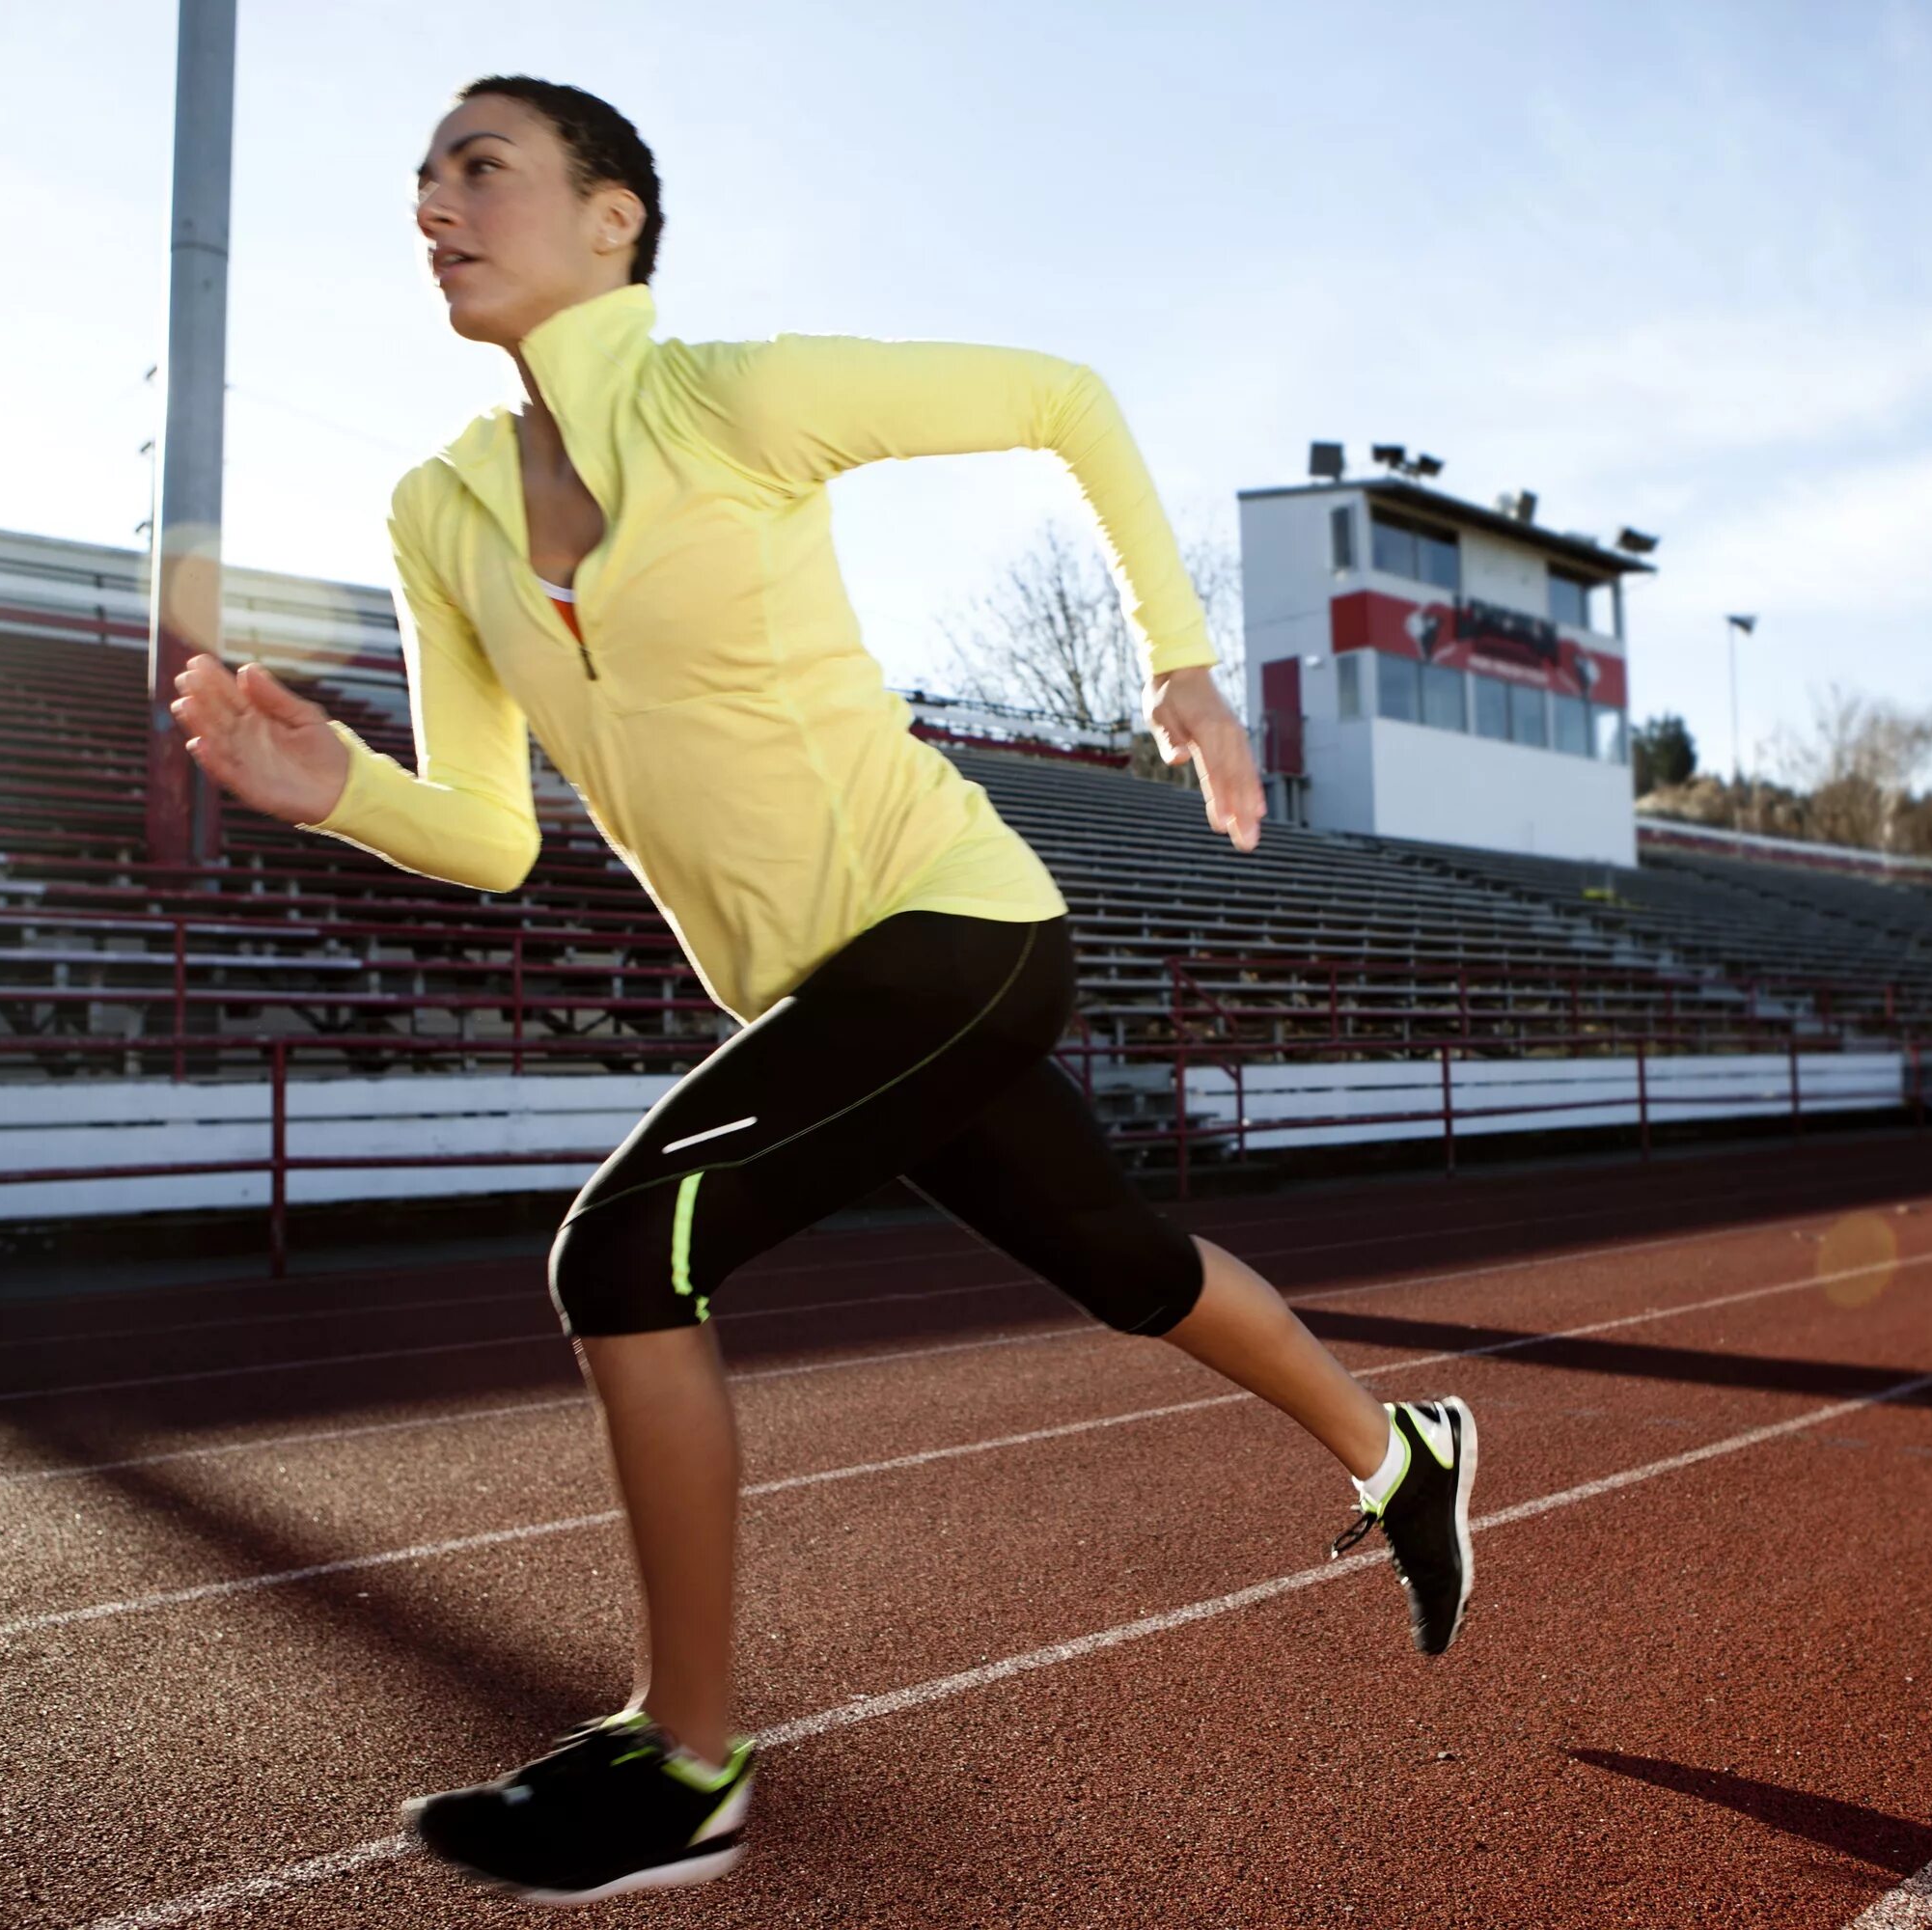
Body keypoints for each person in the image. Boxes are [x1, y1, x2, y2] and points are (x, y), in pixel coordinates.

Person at [170, 74, 1480, 1906]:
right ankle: (1398, 1446)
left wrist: (1181, 666)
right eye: (421, 182)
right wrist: (336, 794)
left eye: (482, 169)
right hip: (812, 990)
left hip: (954, 923)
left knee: (623, 1252)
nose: (434, 207)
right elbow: (490, 837)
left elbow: (1063, 398)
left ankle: (685, 1759)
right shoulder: (437, 508)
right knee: (1124, 1265)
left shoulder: (738, 398)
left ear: (615, 214)